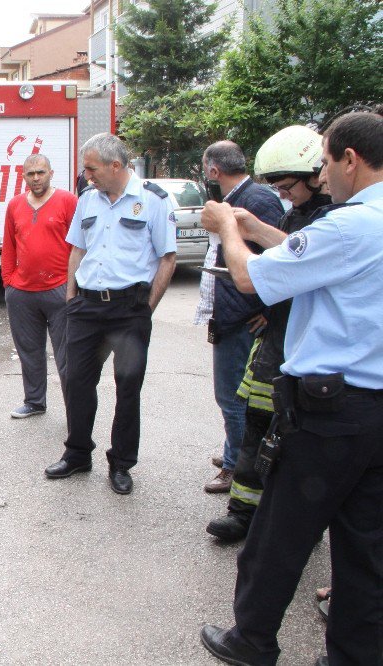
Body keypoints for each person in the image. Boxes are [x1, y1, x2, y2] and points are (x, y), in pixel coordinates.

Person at [199, 110, 383, 666]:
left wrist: (231, 232)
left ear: (351, 158)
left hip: (329, 412)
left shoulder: (348, 224)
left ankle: (251, 641)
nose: (323, 176)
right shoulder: (362, 226)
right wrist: (257, 228)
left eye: (326, 162)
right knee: (365, 547)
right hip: (374, 410)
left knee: (279, 534)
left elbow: (252, 277)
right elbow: (323, 260)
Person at [205, 126, 333, 542]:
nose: (283, 193)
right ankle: (243, 512)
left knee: (297, 438)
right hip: (276, 338)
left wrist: (243, 228)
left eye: (287, 185)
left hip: (311, 344)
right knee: (256, 424)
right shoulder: (295, 212)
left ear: (314, 173)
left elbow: (302, 265)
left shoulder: (334, 217)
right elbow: (283, 261)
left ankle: (296, 523)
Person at [43, 133, 176, 495]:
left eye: (91, 168)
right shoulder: (88, 200)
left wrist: (146, 309)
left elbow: (167, 257)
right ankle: (77, 454)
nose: (87, 175)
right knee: (77, 382)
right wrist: (71, 298)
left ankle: (121, 463)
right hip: (86, 307)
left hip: (128, 309)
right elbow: (77, 250)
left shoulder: (152, 201)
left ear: (115, 166)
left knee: (127, 387)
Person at [200, 142, 284, 494]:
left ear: (213, 171)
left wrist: (268, 312)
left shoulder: (258, 200)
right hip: (231, 311)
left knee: (234, 398)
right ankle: (232, 453)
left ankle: (239, 468)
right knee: (231, 396)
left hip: (243, 316)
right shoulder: (238, 197)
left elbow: (280, 263)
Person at [2, 154, 78, 418]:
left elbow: (80, 245)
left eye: (41, 172)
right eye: (31, 174)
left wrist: (73, 285)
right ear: (23, 176)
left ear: (51, 173)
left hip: (60, 290)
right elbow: (9, 247)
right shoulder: (14, 205)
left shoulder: (68, 201)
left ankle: (75, 409)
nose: (36, 178)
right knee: (30, 352)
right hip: (22, 293)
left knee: (67, 355)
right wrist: (9, 282)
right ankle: (35, 401)